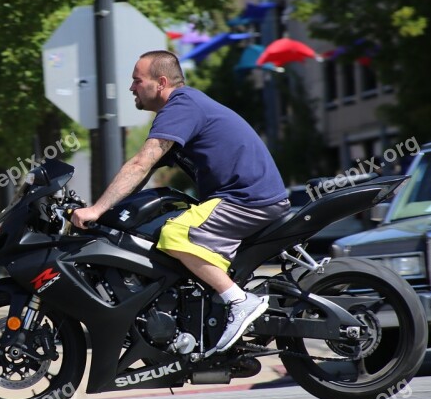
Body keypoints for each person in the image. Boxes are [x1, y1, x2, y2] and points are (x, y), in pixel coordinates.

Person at [71, 50, 290, 355]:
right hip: (242, 199)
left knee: (175, 234)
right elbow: (142, 174)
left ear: (160, 83)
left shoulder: (182, 105)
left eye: (137, 80)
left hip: (246, 200)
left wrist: (95, 210)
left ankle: (239, 301)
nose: (131, 88)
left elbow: (140, 164)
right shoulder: (184, 108)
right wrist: (106, 211)